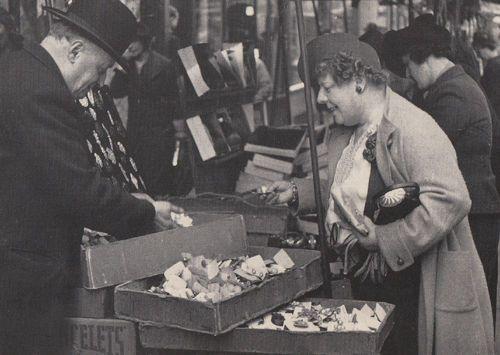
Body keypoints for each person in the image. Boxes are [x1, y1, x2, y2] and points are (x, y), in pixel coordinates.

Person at [265, 33, 493, 354]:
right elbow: (349, 186)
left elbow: (451, 198)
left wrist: (384, 238)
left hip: (410, 288)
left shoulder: (412, 128)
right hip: (370, 282)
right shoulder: (350, 127)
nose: (319, 99)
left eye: (327, 88)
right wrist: (296, 191)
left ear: (359, 81)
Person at [0, 1, 183, 353]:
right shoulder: (39, 92)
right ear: (75, 50)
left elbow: (42, 181)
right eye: (99, 71)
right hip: (23, 281)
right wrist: (146, 212)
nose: (99, 84)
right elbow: (78, 189)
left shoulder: (21, 69)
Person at [398, 19, 500, 316]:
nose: (410, 75)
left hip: (475, 216)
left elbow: (421, 154)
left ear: (424, 58)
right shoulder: (455, 84)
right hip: (475, 211)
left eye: (409, 67)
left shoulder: (452, 93)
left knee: (467, 310)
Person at [110, 22, 178, 197]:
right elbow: (115, 92)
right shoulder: (127, 66)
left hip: (159, 134)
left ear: (145, 42)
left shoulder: (164, 65)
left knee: (158, 183)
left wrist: (176, 133)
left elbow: (174, 102)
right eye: (127, 41)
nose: (130, 46)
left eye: (134, 41)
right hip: (135, 134)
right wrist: (120, 69)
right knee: (138, 181)